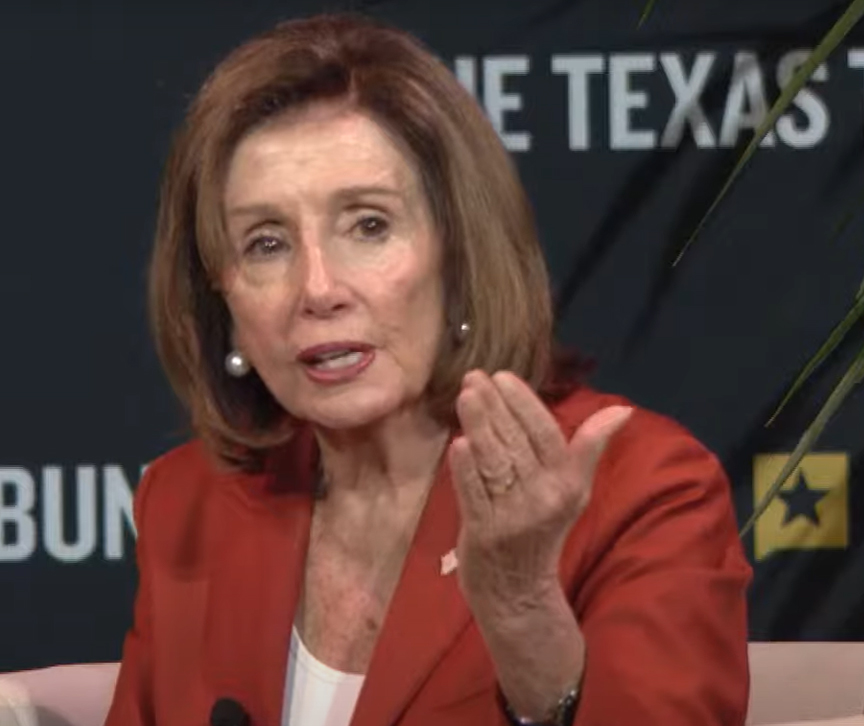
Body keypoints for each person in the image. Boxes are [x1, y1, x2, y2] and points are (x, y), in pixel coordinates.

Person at [104, 13, 750, 726]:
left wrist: (523, 610)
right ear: (221, 297)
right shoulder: (187, 504)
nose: (318, 288)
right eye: (266, 243)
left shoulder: (641, 490)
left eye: (368, 225)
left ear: (458, 256)